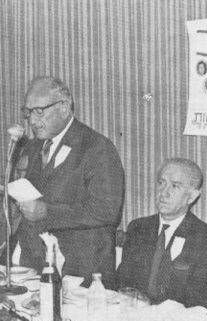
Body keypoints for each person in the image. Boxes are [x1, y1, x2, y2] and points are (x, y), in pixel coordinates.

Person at [10, 76, 125, 287]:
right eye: (28, 112)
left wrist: (46, 211)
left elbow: (108, 210)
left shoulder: (97, 148)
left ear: (64, 106)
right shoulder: (33, 148)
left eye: (39, 111)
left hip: (82, 275)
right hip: (38, 270)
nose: (32, 121)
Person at [117, 158, 207, 309]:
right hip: (135, 315)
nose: (164, 193)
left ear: (192, 196)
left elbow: (202, 302)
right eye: (161, 183)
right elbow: (124, 282)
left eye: (175, 186)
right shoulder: (138, 228)